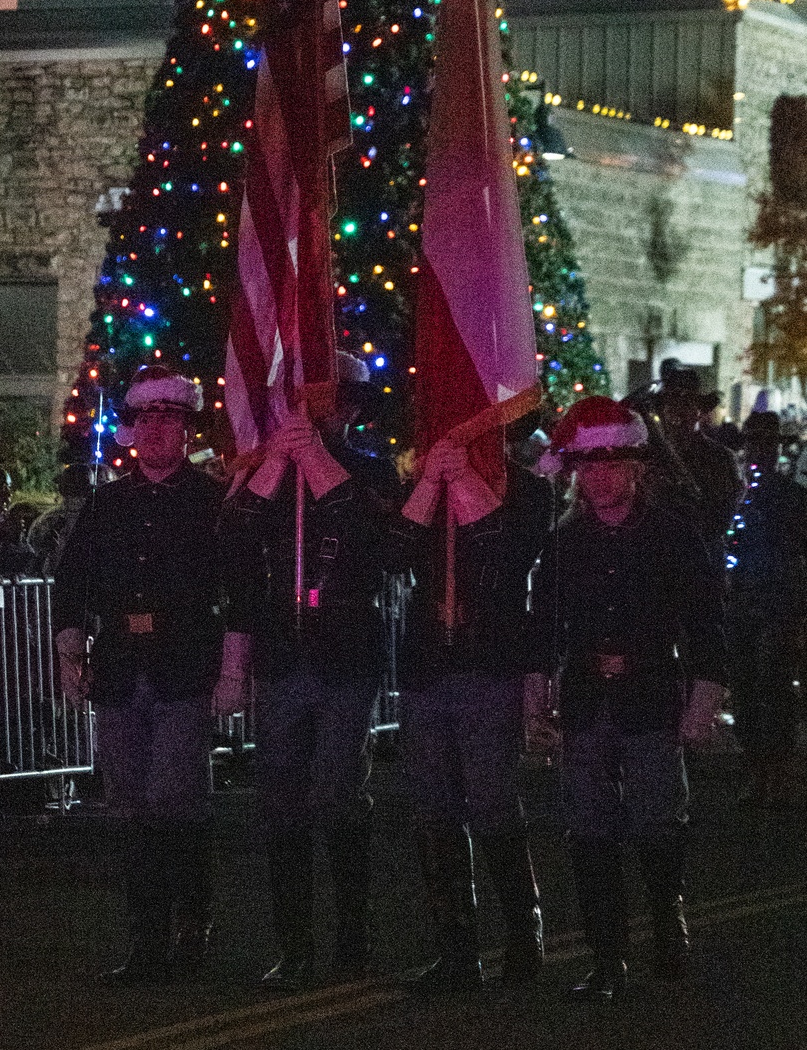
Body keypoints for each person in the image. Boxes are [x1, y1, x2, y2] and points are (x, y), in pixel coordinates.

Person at [526, 395, 727, 1001]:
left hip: (651, 694)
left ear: (637, 469)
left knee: (657, 819)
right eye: (589, 466)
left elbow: (708, 623)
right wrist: (535, 699)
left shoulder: (673, 536)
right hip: (587, 697)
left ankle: (668, 917)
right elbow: (544, 627)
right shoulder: (566, 543)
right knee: (587, 830)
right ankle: (606, 959)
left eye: (613, 465)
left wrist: (702, 701)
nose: (601, 477)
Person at [219, 352, 408, 990]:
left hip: (344, 651)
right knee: (280, 801)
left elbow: (377, 538)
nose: (319, 411)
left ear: (352, 409)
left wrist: (318, 463)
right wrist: (277, 461)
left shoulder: (371, 471)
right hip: (283, 650)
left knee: (337, 792)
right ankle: (295, 945)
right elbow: (236, 536)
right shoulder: (277, 473)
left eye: (332, 402)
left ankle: (351, 935)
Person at [53, 366, 236, 986]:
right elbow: (71, 581)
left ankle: (191, 931)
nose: (158, 430)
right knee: (131, 808)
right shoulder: (107, 503)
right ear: (131, 430)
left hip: (182, 666)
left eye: (171, 419)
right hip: (121, 671)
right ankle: (146, 940)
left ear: (187, 430)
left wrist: (234, 669)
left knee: (175, 804)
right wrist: (70, 644)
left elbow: (237, 592)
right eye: (148, 419)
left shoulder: (212, 502)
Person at [396, 419, 553, 992]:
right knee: (433, 811)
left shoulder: (531, 491)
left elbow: (507, 559)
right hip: (428, 666)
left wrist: (467, 485)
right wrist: (430, 488)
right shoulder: (421, 484)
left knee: (491, 803)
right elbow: (394, 552)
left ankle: (523, 931)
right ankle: (457, 949)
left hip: (491, 662)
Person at [727, 411, 807, 805]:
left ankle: (777, 771)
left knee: (774, 687)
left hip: (778, 604)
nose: (761, 452)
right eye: (755, 444)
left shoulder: (791, 496)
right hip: (743, 603)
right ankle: (758, 769)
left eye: (767, 444)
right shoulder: (738, 491)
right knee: (745, 687)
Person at [654, 369, 743, 572]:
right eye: (671, 404)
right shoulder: (650, 456)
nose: (677, 411)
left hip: (704, 561)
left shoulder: (722, 458)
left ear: (699, 411)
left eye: (686, 404)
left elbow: (720, 520)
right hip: (658, 562)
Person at [29, 463, 106, 576]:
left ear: (61, 489)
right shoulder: (101, 518)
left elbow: (32, 553)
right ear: (91, 489)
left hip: (52, 586)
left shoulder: (46, 520)